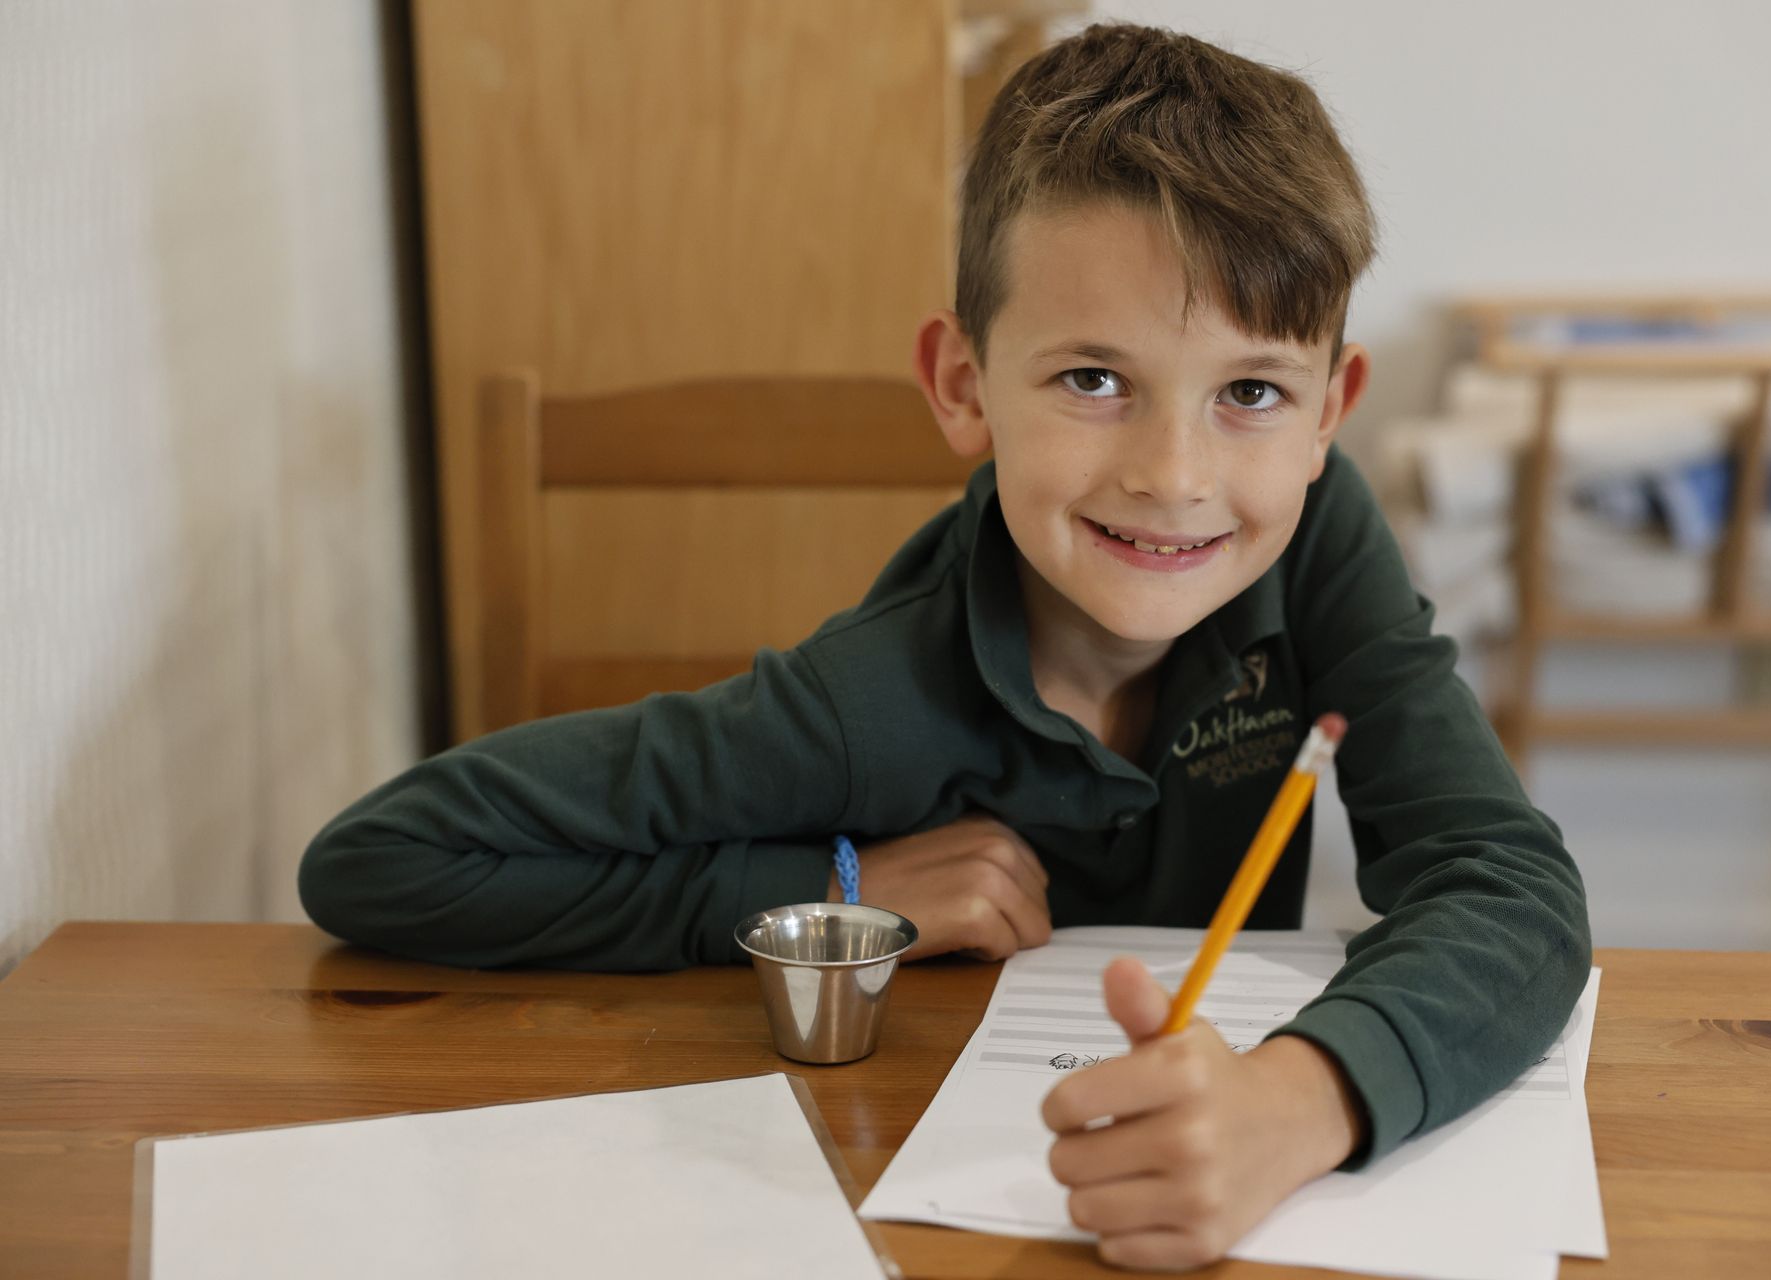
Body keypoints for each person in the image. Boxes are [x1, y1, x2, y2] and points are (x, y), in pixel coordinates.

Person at [301, 22, 1589, 1269]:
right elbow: (380, 860)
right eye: (1095, 378)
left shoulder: (1315, 539)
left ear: (1328, 416)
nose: (1175, 476)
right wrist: (831, 898)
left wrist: (1302, 1105)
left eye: (1251, 392)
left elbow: (1509, 883)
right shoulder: (870, 701)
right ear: (963, 386)